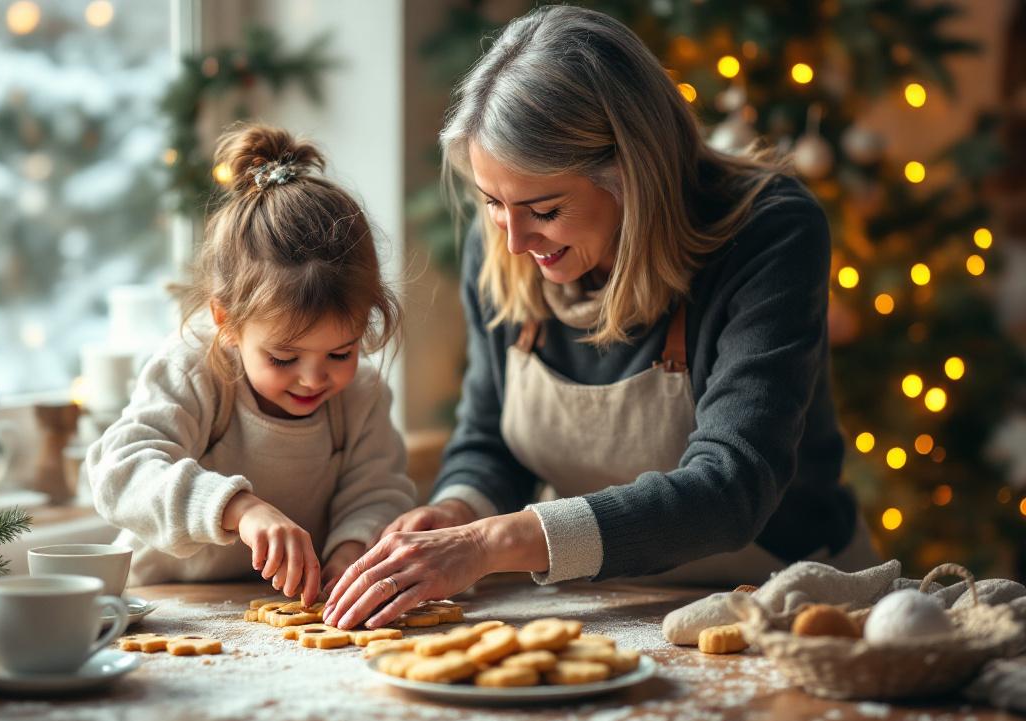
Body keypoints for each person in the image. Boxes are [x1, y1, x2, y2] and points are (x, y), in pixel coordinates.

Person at [324, 5, 877, 631]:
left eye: (545, 209)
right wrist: (457, 511)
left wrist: (490, 544)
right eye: (492, 203)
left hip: (786, 609)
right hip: (600, 608)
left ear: (632, 175)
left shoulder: (767, 232)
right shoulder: (507, 239)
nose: (512, 241)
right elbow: (489, 438)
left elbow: (734, 485)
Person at [88, 124, 416, 608]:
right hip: (166, 605)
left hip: (281, 610)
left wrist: (350, 552)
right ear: (227, 321)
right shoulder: (193, 372)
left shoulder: (360, 396)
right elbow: (120, 474)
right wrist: (237, 508)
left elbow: (377, 492)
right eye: (284, 357)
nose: (313, 377)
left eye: (341, 353)